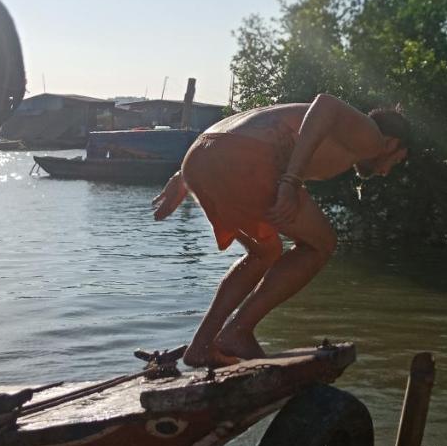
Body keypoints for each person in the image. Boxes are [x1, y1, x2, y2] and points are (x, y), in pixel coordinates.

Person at [152, 93, 409, 367]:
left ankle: (201, 346)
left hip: (201, 157)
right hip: (244, 159)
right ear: (391, 143)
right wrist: (291, 181)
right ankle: (237, 331)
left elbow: (230, 136)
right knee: (321, 244)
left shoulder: (343, 136)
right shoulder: (372, 137)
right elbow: (325, 104)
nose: (385, 172)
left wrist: (184, 175)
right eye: (394, 162)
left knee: (264, 252)